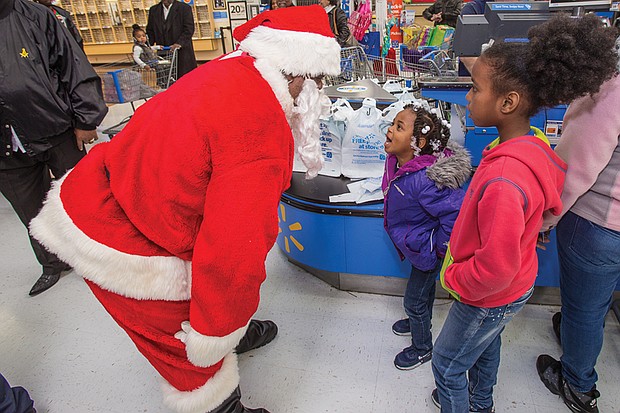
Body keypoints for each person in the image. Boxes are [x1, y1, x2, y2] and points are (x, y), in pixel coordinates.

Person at [30, 5, 340, 413]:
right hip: (119, 237)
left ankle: (231, 331)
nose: (319, 90)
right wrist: (216, 329)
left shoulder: (234, 69)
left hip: (114, 191)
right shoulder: (259, 129)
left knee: (213, 309)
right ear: (301, 69)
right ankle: (220, 397)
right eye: (319, 80)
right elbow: (234, 253)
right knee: (183, 345)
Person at [429, 14, 618, 413]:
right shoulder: (532, 146)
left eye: (474, 89)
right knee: (485, 346)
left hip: (486, 293)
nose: (467, 98)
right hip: (514, 287)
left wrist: (454, 276)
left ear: (508, 101)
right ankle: (482, 403)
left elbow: (493, 267)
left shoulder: (503, 177)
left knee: (447, 364)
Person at [0, 0, 107, 297]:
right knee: (30, 210)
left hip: (56, 127)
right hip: (5, 149)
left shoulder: (34, 16)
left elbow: (73, 66)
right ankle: (52, 264)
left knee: (83, 196)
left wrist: (86, 119)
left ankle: (102, 255)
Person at [536, 68, 620, 412]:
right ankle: (576, 335)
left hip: (599, 223)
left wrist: (546, 219)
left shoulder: (610, 90)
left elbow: (573, 168)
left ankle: (577, 385)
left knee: (584, 311)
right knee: (595, 304)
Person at [382, 103, 470, 371]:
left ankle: (422, 347)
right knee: (423, 291)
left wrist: (438, 250)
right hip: (416, 244)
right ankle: (417, 318)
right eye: (392, 123)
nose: (389, 130)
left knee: (414, 299)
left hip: (427, 250)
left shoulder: (427, 180)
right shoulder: (399, 162)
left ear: (418, 141)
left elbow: (454, 215)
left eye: (399, 127)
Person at [146, 0, 197, 79]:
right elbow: (150, 31)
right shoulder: (154, 10)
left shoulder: (184, 8)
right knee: (166, 80)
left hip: (182, 53)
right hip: (163, 53)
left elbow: (189, 29)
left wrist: (179, 43)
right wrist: (146, 47)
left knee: (185, 80)